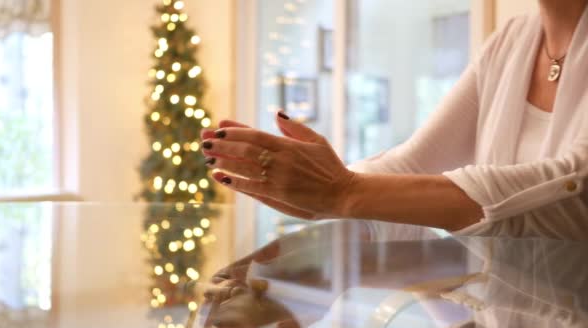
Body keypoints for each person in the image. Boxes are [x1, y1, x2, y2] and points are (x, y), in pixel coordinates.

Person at [202, 0, 588, 240]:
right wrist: (320, 205)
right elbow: (414, 161)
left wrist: (341, 193)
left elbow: (573, 187)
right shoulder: (511, 41)